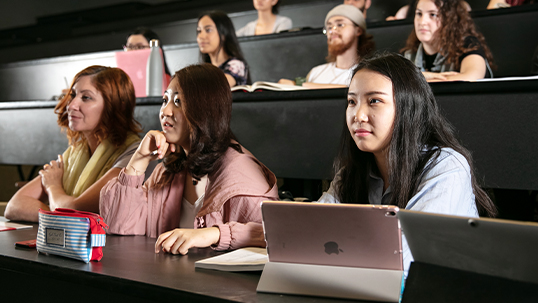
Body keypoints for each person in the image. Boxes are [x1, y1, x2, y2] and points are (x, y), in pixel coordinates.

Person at [317, 52, 497, 276]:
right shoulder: (352, 173)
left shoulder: (447, 166)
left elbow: (404, 255)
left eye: (374, 101)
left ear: (408, 108)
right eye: (352, 101)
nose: (358, 115)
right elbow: (313, 230)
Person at [100, 64, 278, 254]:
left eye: (178, 102)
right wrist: (138, 160)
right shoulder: (168, 171)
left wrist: (214, 234)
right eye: (165, 99)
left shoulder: (242, 176)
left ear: (204, 109)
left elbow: (274, 236)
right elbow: (116, 224)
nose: (165, 111)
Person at [5, 66, 142, 222]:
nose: (71, 105)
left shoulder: (134, 154)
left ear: (116, 105)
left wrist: (53, 188)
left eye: (86, 98)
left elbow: (76, 211)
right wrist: (58, 214)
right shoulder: (75, 153)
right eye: (73, 95)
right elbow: (14, 206)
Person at [279, 4, 375, 88]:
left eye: (340, 24)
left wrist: (298, 84)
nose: (332, 31)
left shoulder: (367, 72)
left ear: (358, 30)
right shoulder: (316, 72)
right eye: (329, 27)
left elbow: (352, 90)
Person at [401, 0, 494, 81]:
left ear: (449, 19)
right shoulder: (408, 54)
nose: (422, 22)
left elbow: (471, 78)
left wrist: (418, 80)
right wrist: (427, 77)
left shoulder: (468, 45)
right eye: (419, 14)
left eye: (433, 14)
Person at [197, 11, 251, 87]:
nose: (200, 36)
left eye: (208, 30)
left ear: (223, 34)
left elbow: (217, 86)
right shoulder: (204, 69)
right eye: (199, 31)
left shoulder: (237, 65)